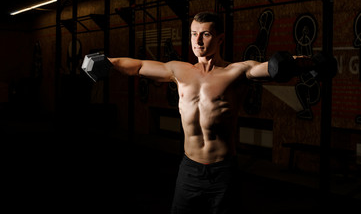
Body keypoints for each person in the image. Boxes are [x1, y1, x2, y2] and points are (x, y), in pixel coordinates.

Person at [107, 11, 304, 214]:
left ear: (220, 39)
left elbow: (269, 68)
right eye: (193, 34)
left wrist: (304, 62)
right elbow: (139, 66)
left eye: (205, 34)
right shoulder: (179, 71)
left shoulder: (236, 71)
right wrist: (107, 61)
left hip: (223, 172)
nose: (198, 40)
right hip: (189, 169)